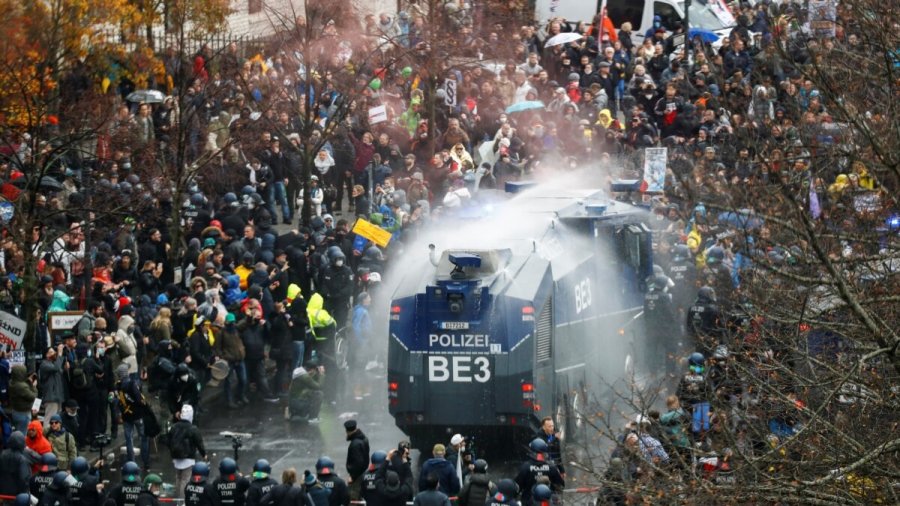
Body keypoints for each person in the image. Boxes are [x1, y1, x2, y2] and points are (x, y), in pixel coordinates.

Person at [168, 405, 207, 499]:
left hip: (176, 456)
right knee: (185, 479)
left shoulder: (174, 427)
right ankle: (182, 500)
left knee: (178, 478)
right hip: (188, 457)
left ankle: (178, 499)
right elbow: (199, 442)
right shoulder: (193, 428)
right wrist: (204, 454)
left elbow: (168, 440)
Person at [115, 364, 149, 471]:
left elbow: (118, 402)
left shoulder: (118, 385)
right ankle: (145, 462)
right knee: (143, 437)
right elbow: (139, 399)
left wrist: (118, 414)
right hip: (138, 415)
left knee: (129, 440)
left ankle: (131, 462)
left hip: (126, 416)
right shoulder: (132, 384)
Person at [514, 439, 564, 506]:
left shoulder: (526, 467)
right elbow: (560, 486)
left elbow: (516, 487)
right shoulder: (551, 467)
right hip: (547, 502)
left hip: (528, 502)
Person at [676, 352, 711, 438]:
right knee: (701, 436)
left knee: (687, 434)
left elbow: (678, 394)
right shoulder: (704, 378)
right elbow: (709, 395)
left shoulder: (685, 377)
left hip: (686, 410)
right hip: (701, 411)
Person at [343, 420, 369, 500]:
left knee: (353, 497)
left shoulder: (355, 444)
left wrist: (353, 477)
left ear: (348, 431)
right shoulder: (363, 438)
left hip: (357, 476)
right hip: (362, 472)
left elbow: (358, 463)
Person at [0, 431, 31, 497]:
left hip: (2, 493)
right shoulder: (21, 459)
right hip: (16, 495)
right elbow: (24, 478)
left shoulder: (2, 454)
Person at [8, 365, 37, 433]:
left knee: (18, 433)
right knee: (23, 435)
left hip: (16, 411)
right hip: (24, 414)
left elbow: (20, 382)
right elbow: (33, 396)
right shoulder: (22, 387)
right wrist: (34, 386)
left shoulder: (11, 382)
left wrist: (28, 381)